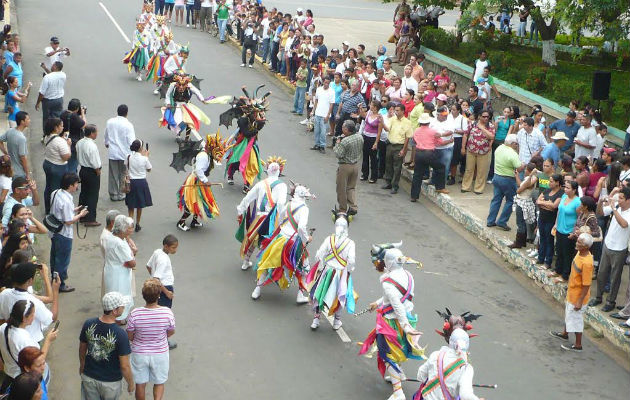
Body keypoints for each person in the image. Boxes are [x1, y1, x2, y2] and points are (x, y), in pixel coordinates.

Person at [359, 243, 423, 400]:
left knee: (387, 354)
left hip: (392, 323)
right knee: (399, 350)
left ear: (389, 262)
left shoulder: (388, 281)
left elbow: (396, 303)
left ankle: (398, 392)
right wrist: (378, 302)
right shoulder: (408, 275)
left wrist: (405, 326)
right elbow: (397, 296)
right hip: (407, 318)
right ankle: (397, 374)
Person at [252, 185, 313, 303]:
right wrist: (306, 238)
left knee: (268, 262)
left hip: (281, 239)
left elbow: (280, 219)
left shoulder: (289, 204)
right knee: (304, 267)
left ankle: (257, 289)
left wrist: (283, 228)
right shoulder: (304, 208)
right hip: (294, 242)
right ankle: (300, 295)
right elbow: (301, 227)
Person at [79, 292, 135, 399]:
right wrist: (131, 383)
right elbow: (125, 366)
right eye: (122, 306)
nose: (124, 308)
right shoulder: (120, 334)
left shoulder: (88, 323)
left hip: (89, 377)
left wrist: (82, 365)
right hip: (111, 383)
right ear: (115, 311)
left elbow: (82, 348)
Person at [306, 213, 356, 331]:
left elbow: (319, 254)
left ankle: (316, 319)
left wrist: (321, 267)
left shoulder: (329, 239)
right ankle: (336, 320)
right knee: (339, 295)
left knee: (320, 294)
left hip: (327, 271)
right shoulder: (350, 243)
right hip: (340, 274)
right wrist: (349, 270)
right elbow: (352, 260)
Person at [127, 279, 175, 400]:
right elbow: (171, 331)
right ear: (159, 295)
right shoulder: (167, 313)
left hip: (139, 353)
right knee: (159, 382)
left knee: (140, 384)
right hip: (160, 353)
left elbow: (130, 335)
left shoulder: (135, 313)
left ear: (143, 296)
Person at [236, 158, 288, 270]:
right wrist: (281, 220)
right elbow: (281, 204)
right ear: (279, 172)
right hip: (272, 218)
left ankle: (246, 261)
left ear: (267, 171)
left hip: (260, 217)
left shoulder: (261, 184)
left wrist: (240, 210)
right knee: (269, 241)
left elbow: (248, 198)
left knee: (254, 238)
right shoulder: (282, 186)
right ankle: (263, 265)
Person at [549, 233, 594, 351]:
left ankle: (578, 344)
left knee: (576, 319)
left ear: (586, 247)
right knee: (569, 314)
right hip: (572, 292)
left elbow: (586, 284)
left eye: (580, 242)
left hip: (578, 296)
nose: (577, 243)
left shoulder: (587, 263)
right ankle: (565, 333)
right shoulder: (580, 253)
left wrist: (579, 301)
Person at [589, 187, 630, 312]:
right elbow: (600, 213)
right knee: (601, 273)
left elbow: (624, 224)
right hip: (608, 244)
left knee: (615, 277)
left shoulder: (626, 212)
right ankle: (598, 297)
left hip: (620, 248)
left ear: (629, 200)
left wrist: (613, 208)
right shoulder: (616, 206)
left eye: (622, 198)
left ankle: (611, 301)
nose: (619, 200)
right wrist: (601, 202)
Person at [0, 300, 57, 390]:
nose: (34, 317)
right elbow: (39, 360)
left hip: (9, 374)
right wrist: (48, 340)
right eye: (33, 314)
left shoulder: (3, 328)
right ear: (24, 318)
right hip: (24, 379)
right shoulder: (25, 339)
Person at [415, 324, 482, 400]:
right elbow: (465, 395)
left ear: (450, 341)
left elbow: (420, 375)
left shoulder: (436, 355)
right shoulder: (466, 368)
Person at [0, 262, 59, 344]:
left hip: (11, 338)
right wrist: (55, 291)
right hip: (30, 342)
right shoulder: (33, 301)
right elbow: (52, 318)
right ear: (30, 281)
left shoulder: (4, 294)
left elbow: (2, 318)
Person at [50, 173, 88, 293]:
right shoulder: (66, 201)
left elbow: (59, 210)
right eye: (76, 184)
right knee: (62, 261)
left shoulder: (55, 193)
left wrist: (75, 209)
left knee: (55, 257)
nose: (77, 186)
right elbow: (68, 221)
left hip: (54, 231)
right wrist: (80, 215)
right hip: (64, 234)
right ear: (70, 185)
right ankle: (60, 285)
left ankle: (54, 280)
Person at [103, 216, 137, 323]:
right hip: (119, 275)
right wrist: (133, 253)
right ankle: (117, 320)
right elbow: (132, 263)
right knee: (119, 299)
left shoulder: (110, 237)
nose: (130, 230)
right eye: (128, 228)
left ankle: (116, 319)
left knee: (114, 297)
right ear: (122, 229)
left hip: (111, 271)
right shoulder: (119, 243)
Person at [410, 113, 449, 201]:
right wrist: (450, 140)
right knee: (440, 168)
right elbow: (440, 142)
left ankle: (414, 196)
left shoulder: (416, 130)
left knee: (417, 175)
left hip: (419, 153)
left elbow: (415, 141)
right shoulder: (433, 131)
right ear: (428, 122)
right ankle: (440, 187)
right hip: (429, 153)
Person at [550, 180, 581, 281]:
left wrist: (575, 231)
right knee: (559, 251)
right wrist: (555, 224)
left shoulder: (577, 202)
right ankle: (557, 270)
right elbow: (559, 211)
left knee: (567, 253)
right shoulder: (564, 197)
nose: (565, 189)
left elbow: (579, 218)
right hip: (560, 228)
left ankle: (565, 274)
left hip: (569, 231)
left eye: (568, 188)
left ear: (574, 190)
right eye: (565, 187)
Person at [105, 105, 136, 202]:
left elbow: (106, 134)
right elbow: (132, 141)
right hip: (125, 154)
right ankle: (121, 193)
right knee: (123, 174)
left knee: (113, 174)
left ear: (117, 112)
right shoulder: (128, 125)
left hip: (113, 152)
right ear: (126, 113)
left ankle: (113, 194)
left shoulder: (110, 122)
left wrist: (106, 143)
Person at [461, 111, 495, 194]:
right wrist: (463, 148)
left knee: (481, 171)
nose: (486, 118)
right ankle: (466, 187)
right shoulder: (472, 124)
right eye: (484, 116)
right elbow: (465, 135)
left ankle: (478, 188)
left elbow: (491, 136)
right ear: (479, 116)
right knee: (469, 169)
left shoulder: (490, 126)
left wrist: (482, 128)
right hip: (471, 150)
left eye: (487, 117)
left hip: (484, 151)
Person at [334, 120, 363, 215]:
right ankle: (353, 206)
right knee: (351, 187)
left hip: (345, 166)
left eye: (343, 127)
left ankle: (342, 209)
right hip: (355, 165)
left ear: (347, 130)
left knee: (341, 188)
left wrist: (338, 143)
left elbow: (338, 154)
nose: (342, 129)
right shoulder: (359, 137)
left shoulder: (345, 141)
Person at [42, 117, 70, 214]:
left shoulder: (47, 136)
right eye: (61, 126)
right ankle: (54, 212)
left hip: (48, 163)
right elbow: (66, 157)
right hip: (58, 167)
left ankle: (47, 208)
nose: (63, 127)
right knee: (56, 190)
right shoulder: (60, 141)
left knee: (49, 187)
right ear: (56, 128)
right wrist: (68, 145)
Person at [382, 104, 413, 195]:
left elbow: (407, 137)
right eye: (396, 110)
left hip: (399, 146)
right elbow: (387, 129)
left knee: (397, 166)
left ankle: (395, 185)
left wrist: (404, 149)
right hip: (390, 144)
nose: (396, 112)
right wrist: (382, 123)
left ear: (403, 111)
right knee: (388, 164)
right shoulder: (392, 120)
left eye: (398, 110)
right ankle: (388, 182)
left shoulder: (407, 122)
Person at [536, 174, 563, 269]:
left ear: (557, 183)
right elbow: (537, 201)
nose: (549, 183)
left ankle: (548, 262)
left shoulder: (560, 193)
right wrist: (547, 204)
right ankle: (540, 258)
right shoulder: (547, 190)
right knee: (542, 239)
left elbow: (554, 206)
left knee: (549, 240)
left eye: (551, 181)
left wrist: (544, 203)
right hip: (542, 218)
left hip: (551, 220)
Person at [77, 125, 102, 227]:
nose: (97, 134)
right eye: (96, 132)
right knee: (92, 195)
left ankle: (82, 216)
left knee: (84, 193)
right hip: (91, 171)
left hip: (83, 169)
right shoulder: (91, 146)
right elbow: (95, 162)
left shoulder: (80, 142)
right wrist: (97, 171)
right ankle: (90, 218)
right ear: (91, 133)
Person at [508, 163, 538, 248]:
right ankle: (522, 241)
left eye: (526, 170)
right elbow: (521, 184)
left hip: (522, 202)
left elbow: (519, 190)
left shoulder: (531, 179)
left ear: (529, 171)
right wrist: (517, 176)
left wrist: (531, 174)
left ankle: (518, 243)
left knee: (520, 223)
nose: (525, 171)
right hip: (526, 201)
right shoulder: (531, 179)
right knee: (522, 222)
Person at [125, 140, 153, 232]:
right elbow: (149, 169)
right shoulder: (144, 159)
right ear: (141, 148)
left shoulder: (129, 157)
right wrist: (146, 157)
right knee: (140, 205)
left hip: (131, 183)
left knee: (131, 206)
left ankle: (130, 224)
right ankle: (137, 224)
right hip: (141, 183)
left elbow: (126, 166)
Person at [35, 61, 65, 136]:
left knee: (47, 119)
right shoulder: (63, 75)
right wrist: (45, 68)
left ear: (55, 67)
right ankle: (56, 133)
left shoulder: (47, 77)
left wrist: (38, 103)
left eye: (53, 65)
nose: (51, 66)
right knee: (57, 117)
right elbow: (52, 74)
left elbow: (42, 92)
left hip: (48, 101)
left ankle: (46, 135)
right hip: (59, 100)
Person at [0, 111, 31, 179]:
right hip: (19, 173)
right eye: (28, 119)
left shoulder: (10, 131)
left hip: (11, 169)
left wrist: (6, 153)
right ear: (22, 122)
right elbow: (23, 158)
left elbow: (0, 141)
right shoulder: (22, 138)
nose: (29, 120)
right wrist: (27, 173)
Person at [59, 98, 87, 173]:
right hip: (73, 143)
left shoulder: (63, 113)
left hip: (64, 140)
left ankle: (66, 179)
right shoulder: (73, 116)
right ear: (77, 108)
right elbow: (83, 124)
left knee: (66, 163)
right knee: (72, 165)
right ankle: (70, 181)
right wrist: (83, 113)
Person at [311, 75, 334, 153]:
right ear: (323, 82)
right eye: (325, 82)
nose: (326, 84)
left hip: (325, 115)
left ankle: (322, 146)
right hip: (318, 113)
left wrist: (328, 115)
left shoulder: (331, 92)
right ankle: (317, 144)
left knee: (323, 132)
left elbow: (331, 105)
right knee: (317, 131)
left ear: (329, 83)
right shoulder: (319, 89)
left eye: (328, 83)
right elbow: (316, 101)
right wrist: (313, 111)